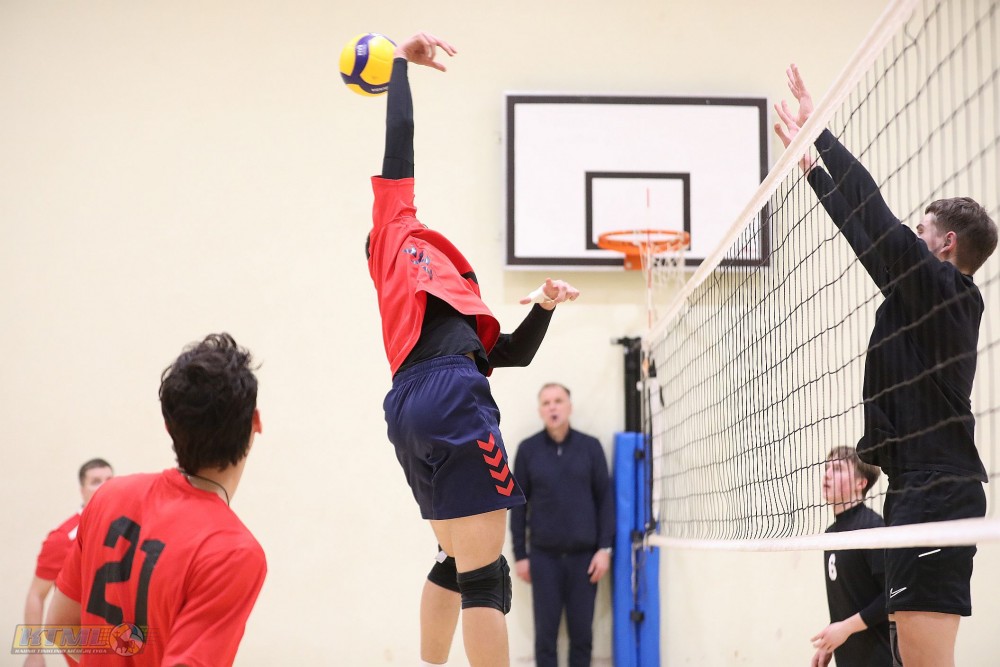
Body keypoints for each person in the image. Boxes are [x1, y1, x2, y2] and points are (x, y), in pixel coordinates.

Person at [366, 32, 580, 667]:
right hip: (447, 390)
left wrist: (544, 306)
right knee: (486, 578)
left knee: (452, 557)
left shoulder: (449, 296)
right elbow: (400, 139)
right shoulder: (393, 229)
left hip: (409, 404)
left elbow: (511, 354)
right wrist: (398, 64)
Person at [774, 64, 998, 667]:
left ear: (946, 244)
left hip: (939, 489)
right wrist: (814, 173)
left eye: (921, 230)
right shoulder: (917, 295)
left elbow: (876, 220)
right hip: (913, 488)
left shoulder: (948, 292)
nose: (911, 236)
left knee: (925, 660)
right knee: (909, 657)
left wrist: (820, 133)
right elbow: (869, 238)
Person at [46, 333, 267, 666]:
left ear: (169, 427)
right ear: (255, 423)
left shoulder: (109, 496)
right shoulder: (233, 552)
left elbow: (59, 627)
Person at [510, 383, 613, 667]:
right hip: (544, 559)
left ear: (569, 407)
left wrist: (604, 549)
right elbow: (518, 505)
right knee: (545, 638)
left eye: (558, 401)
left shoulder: (590, 448)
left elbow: (605, 500)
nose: (553, 407)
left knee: (582, 637)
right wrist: (520, 555)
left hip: (585, 560)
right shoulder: (528, 450)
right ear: (540, 411)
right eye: (546, 403)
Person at [22, 459, 114, 667]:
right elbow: (36, 594)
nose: (104, 487)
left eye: (109, 480)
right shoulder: (63, 538)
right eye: (95, 481)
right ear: (82, 490)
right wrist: (35, 653)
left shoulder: (130, 529)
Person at [810, 446, 891, 667]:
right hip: (848, 658)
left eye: (837, 469)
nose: (827, 475)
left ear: (861, 483)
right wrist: (831, 640)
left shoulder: (871, 528)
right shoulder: (831, 535)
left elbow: (891, 596)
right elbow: (846, 599)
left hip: (879, 658)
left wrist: (845, 629)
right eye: (826, 468)